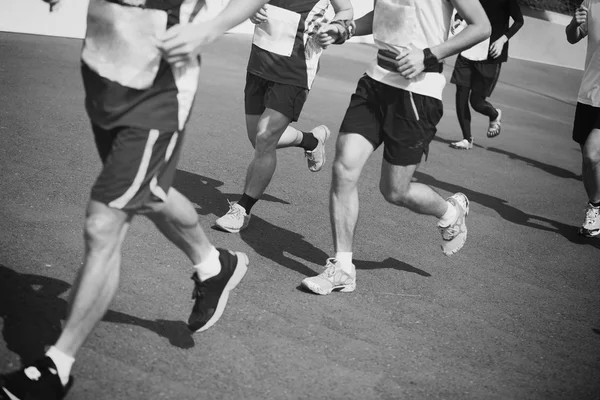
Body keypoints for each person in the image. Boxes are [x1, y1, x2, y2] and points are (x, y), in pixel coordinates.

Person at [0, 0, 269, 398]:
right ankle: (215, 265)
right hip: (103, 68)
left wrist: (211, 29)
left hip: (158, 90)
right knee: (146, 192)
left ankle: (58, 364)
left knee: (104, 222)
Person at [300, 0, 491, 296]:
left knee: (394, 191)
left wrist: (428, 56)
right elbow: (383, 16)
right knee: (344, 168)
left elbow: (482, 26)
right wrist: (345, 28)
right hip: (375, 83)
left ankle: (451, 212)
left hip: (419, 92)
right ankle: (343, 269)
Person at [214, 0, 354, 233]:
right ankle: (311, 140)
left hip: (295, 70)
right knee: (257, 139)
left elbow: (346, 11)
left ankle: (242, 209)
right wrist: (251, 8)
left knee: (265, 137)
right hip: (259, 63)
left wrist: (336, 29)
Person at [449, 0, 523, 150]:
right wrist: (458, 19)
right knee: (461, 96)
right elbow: (464, 10)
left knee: (476, 101)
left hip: (490, 55)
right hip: (468, 47)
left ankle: (494, 114)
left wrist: (502, 40)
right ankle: (466, 138)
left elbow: (519, 21)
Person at [566, 1, 600, 237]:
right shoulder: (591, 2)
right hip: (588, 94)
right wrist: (574, 23)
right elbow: (572, 37)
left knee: (592, 153)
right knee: (587, 160)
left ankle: (596, 208)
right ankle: (594, 207)